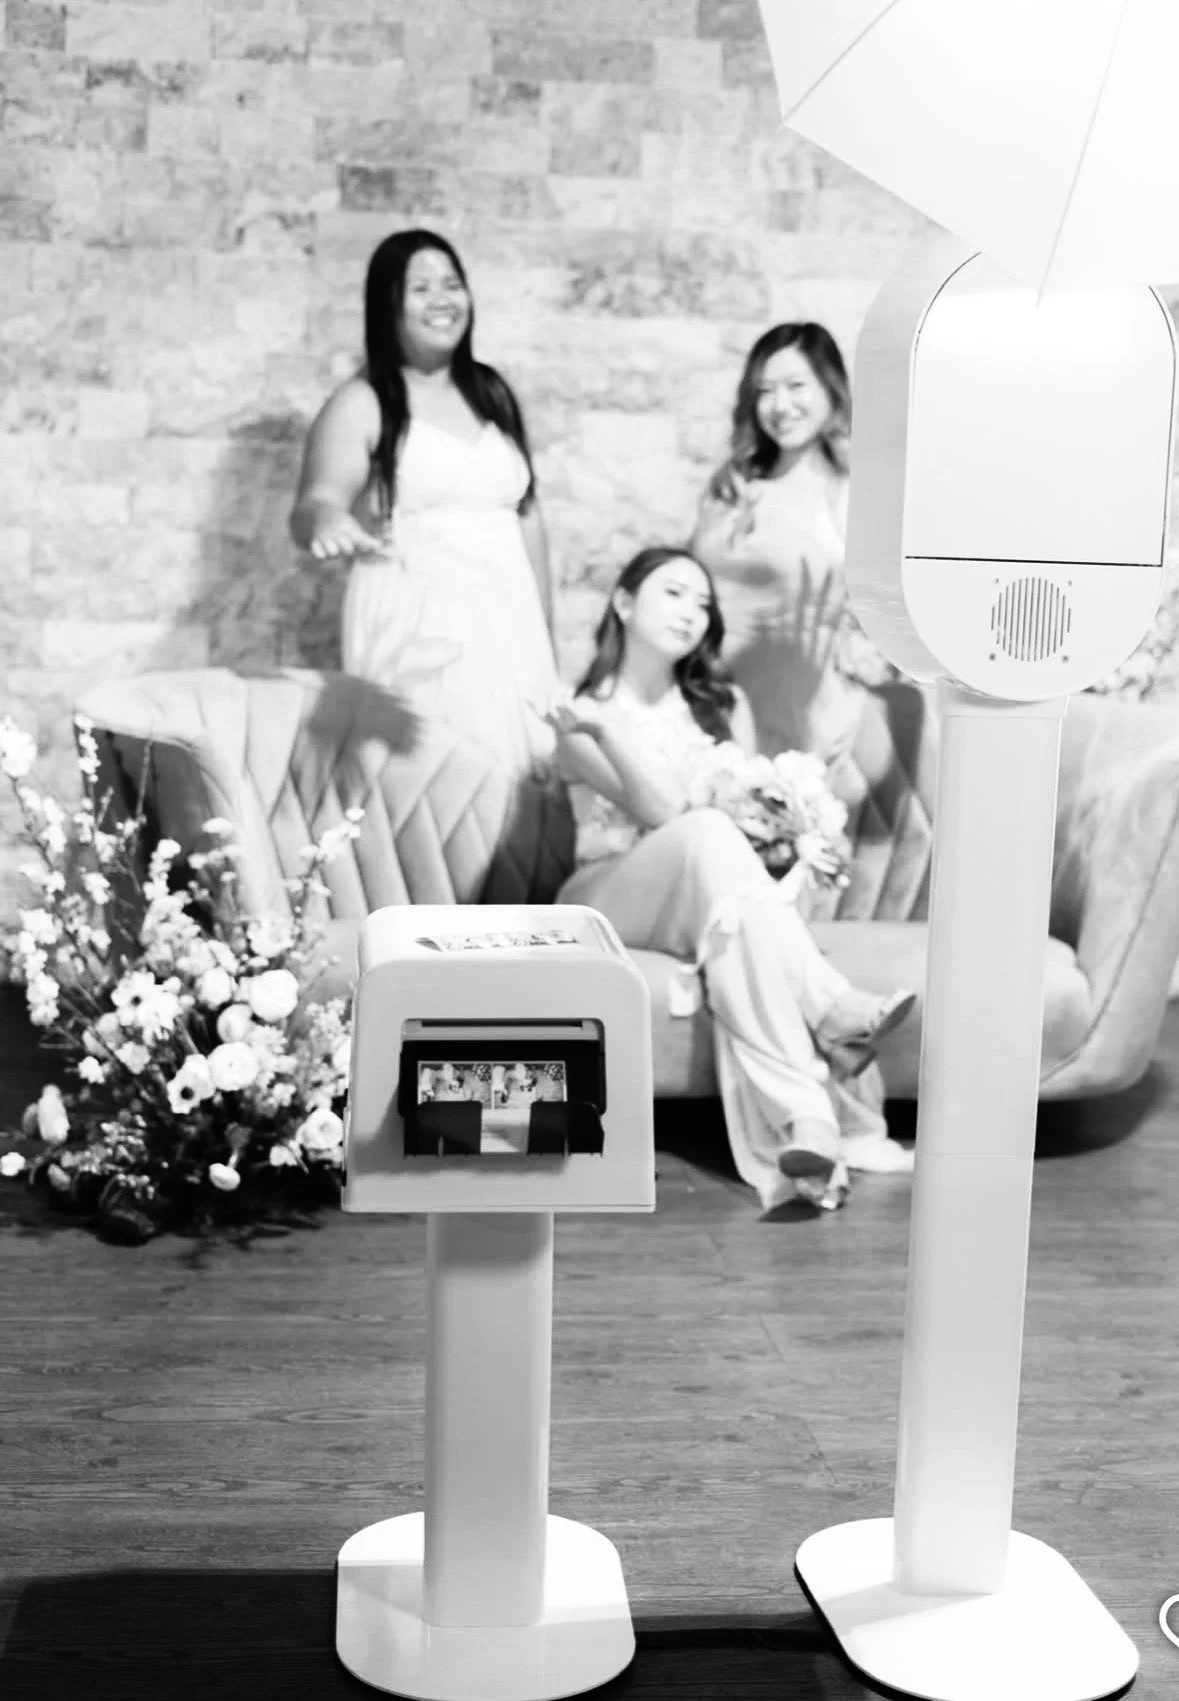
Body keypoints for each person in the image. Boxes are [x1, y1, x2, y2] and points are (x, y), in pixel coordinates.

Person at [540, 545, 916, 1214]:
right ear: (623, 604)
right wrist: (609, 729)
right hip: (608, 893)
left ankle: (810, 1127)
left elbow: (748, 804)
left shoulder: (724, 704)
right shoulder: (577, 714)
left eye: (703, 601)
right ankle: (828, 1005)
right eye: (673, 593)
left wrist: (787, 838)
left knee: (739, 923)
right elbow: (663, 813)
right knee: (707, 832)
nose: (691, 612)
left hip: (705, 890)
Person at [289, 228, 559, 780]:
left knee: (523, 776)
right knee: (440, 781)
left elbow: (526, 517)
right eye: (421, 287)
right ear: (387, 304)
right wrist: (327, 520)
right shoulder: (363, 402)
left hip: (508, 616)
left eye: (452, 284)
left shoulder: (492, 392)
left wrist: (547, 640)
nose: (442, 300)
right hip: (419, 621)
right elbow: (316, 501)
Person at [690, 322, 897, 766]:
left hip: (804, 712)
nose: (780, 405)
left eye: (795, 386)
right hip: (714, 698)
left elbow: (891, 598)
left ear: (830, 387)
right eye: (765, 391)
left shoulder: (853, 488)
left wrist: (864, 658)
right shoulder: (732, 485)